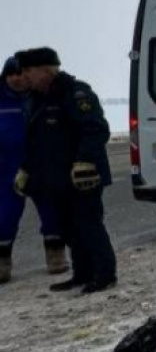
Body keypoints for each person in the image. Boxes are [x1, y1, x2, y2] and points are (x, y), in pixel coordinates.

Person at [15, 48, 116, 293]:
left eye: (29, 71)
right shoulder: (36, 99)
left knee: (88, 225)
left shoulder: (75, 92)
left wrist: (85, 162)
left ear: (47, 70)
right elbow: (35, 140)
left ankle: (105, 274)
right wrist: (26, 169)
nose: (24, 77)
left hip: (83, 177)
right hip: (56, 179)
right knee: (68, 228)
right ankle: (82, 274)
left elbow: (96, 129)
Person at [1, 57, 68, 282]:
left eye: (23, 74)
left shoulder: (41, 97)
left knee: (51, 211)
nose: (18, 79)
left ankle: (56, 256)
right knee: (5, 216)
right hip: (6, 168)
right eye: (13, 74)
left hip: (39, 167)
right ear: (6, 76)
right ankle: (2, 263)